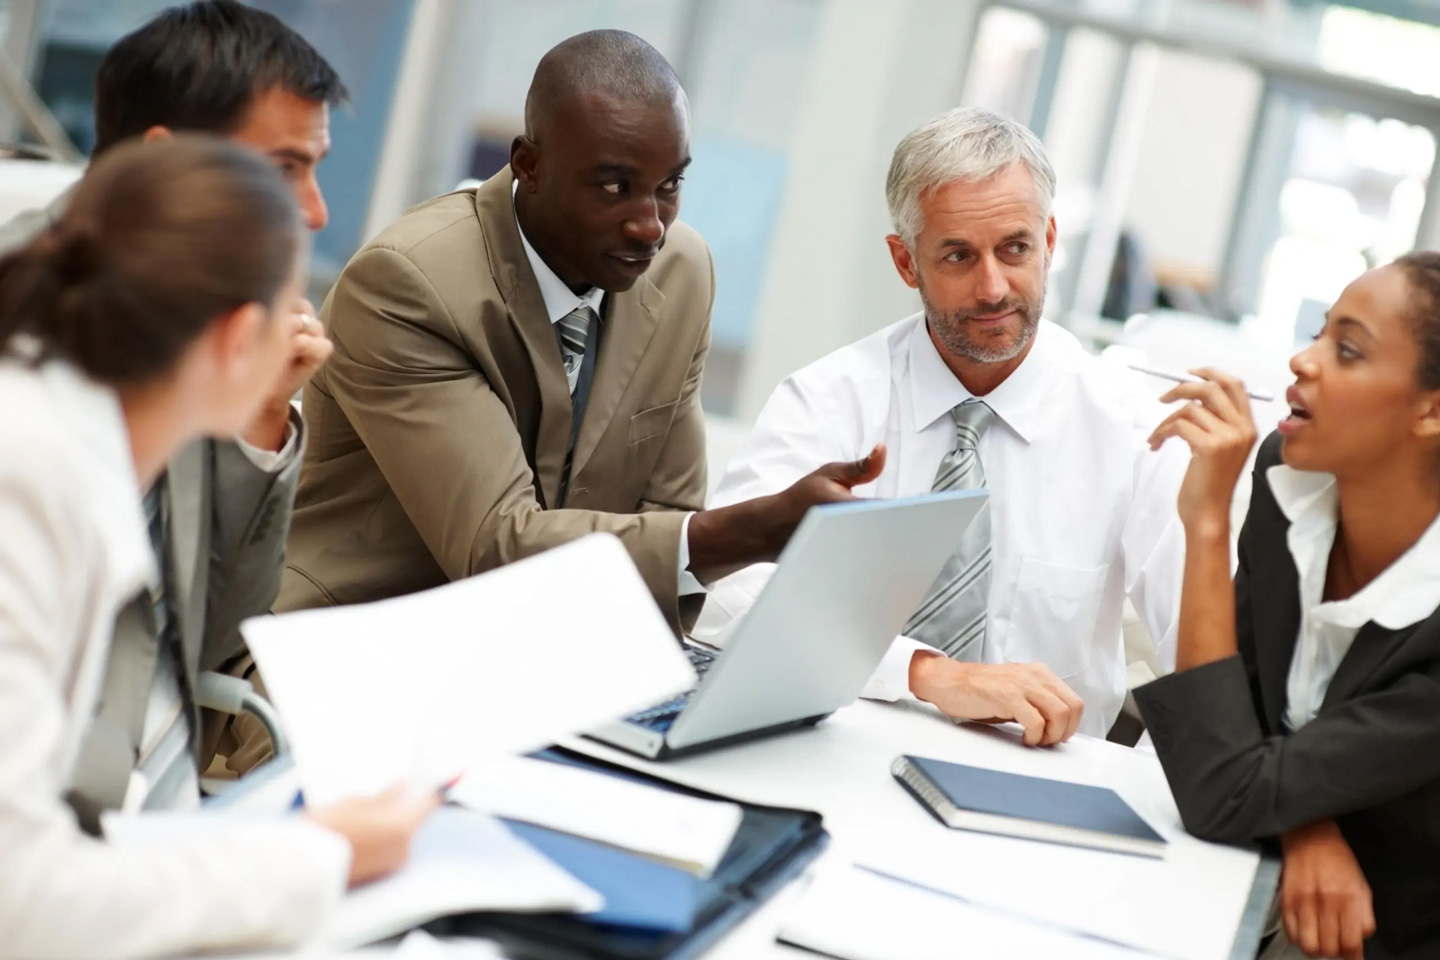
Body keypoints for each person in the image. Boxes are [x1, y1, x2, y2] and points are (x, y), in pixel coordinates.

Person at [274, 34, 878, 643]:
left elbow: (668, 510)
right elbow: (496, 544)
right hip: (348, 653)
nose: (650, 226)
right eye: (614, 187)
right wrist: (753, 532)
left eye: (669, 186)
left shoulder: (681, 272)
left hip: (553, 654)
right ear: (528, 166)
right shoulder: (410, 282)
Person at [0, 135, 434, 960]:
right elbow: (21, 900)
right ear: (241, 338)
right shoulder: (27, 482)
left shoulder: (64, 435)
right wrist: (326, 855)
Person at [695, 107, 1191, 745]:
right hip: (838, 754)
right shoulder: (830, 400)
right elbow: (724, 598)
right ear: (906, 263)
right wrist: (925, 672)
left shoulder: (1131, 430)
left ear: (1049, 241)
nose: (992, 288)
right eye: (958, 255)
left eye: (1015, 248)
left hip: (1038, 784)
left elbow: (1206, 656)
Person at [0, 0, 346, 804]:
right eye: (285, 167)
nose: (315, 213)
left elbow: (216, 639)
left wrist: (259, 419)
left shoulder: (197, 322)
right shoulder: (28, 325)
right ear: (166, 164)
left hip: (158, 763)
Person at [1135, 254, 1440, 960]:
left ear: (1431, 408)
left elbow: (1219, 787)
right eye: (1320, 332)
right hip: (1269, 888)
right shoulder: (1290, 471)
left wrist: (1207, 519)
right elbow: (1236, 702)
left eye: (1348, 349)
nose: (1303, 361)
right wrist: (1305, 823)